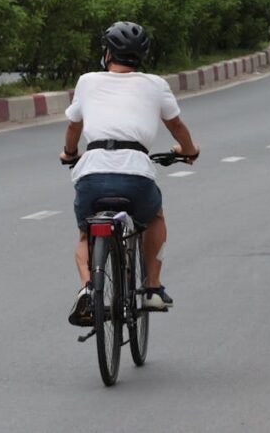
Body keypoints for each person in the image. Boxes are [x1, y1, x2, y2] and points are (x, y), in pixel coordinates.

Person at [60, 21, 200, 326]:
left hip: (92, 174)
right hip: (136, 176)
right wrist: (189, 150)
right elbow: (176, 126)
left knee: (86, 231)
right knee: (154, 218)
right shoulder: (155, 85)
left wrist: (70, 153)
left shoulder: (87, 81)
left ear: (108, 54)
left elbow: (74, 126)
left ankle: (87, 287)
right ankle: (152, 288)